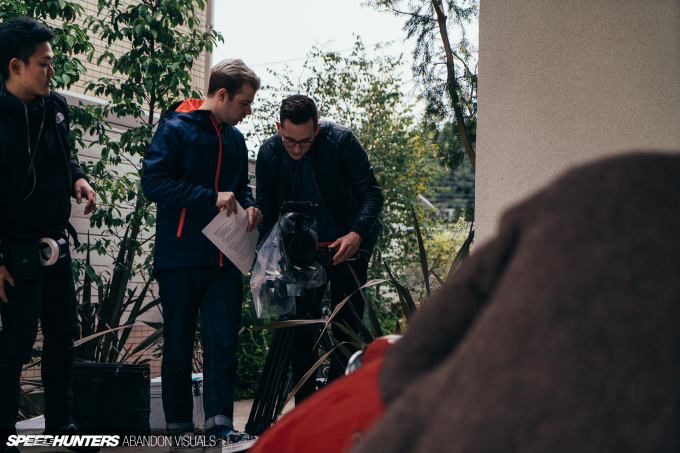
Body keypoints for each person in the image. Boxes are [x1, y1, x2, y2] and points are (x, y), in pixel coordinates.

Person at [142, 59, 262, 449]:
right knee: (177, 348)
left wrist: (251, 206)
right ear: (222, 94)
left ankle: (220, 428)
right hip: (180, 258)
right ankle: (179, 431)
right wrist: (210, 197)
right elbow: (154, 184)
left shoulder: (236, 140)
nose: (248, 110)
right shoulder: (175, 129)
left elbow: (240, 190)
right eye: (245, 102)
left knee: (223, 345)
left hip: (226, 261)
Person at [0, 17, 97, 453]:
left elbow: (65, 155)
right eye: (44, 63)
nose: (51, 70)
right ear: (16, 66)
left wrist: (78, 178)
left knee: (63, 338)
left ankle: (63, 426)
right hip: (14, 249)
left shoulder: (55, 105)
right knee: (15, 345)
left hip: (55, 242)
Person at [256, 94, 384, 402]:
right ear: (278, 128)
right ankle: (306, 409)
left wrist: (356, 233)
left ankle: (340, 408)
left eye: (306, 141)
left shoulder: (341, 141)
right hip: (298, 257)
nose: (297, 149)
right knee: (301, 335)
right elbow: (266, 214)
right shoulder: (269, 153)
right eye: (290, 141)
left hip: (346, 250)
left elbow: (372, 195)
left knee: (346, 332)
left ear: (317, 128)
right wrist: (265, 263)